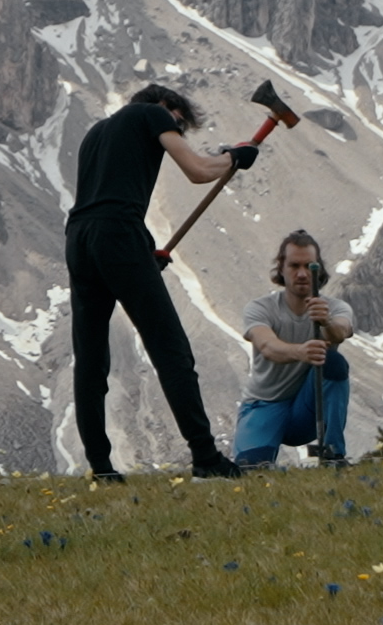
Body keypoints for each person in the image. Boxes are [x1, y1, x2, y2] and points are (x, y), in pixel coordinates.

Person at [65, 82, 256, 481]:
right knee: (171, 350)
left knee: (91, 360)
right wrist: (234, 157)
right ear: (165, 106)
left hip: (80, 239)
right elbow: (199, 171)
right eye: (180, 123)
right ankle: (206, 458)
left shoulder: (95, 134)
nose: (178, 131)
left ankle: (100, 467)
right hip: (118, 235)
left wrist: (144, 254)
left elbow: (105, 202)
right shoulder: (152, 114)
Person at [232, 230, 355, 467]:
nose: (301, 274)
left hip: (306, 408)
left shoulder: (335, 308)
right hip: (264, 404)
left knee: (335, 363)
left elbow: (341, 331)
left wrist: (326, 321)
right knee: (251, 470)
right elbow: (267, 346)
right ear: (281, 268)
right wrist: (301, 352)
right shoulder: (260, 308)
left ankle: (333, 455)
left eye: (309, 266)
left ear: (319, 270)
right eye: (294, 266)